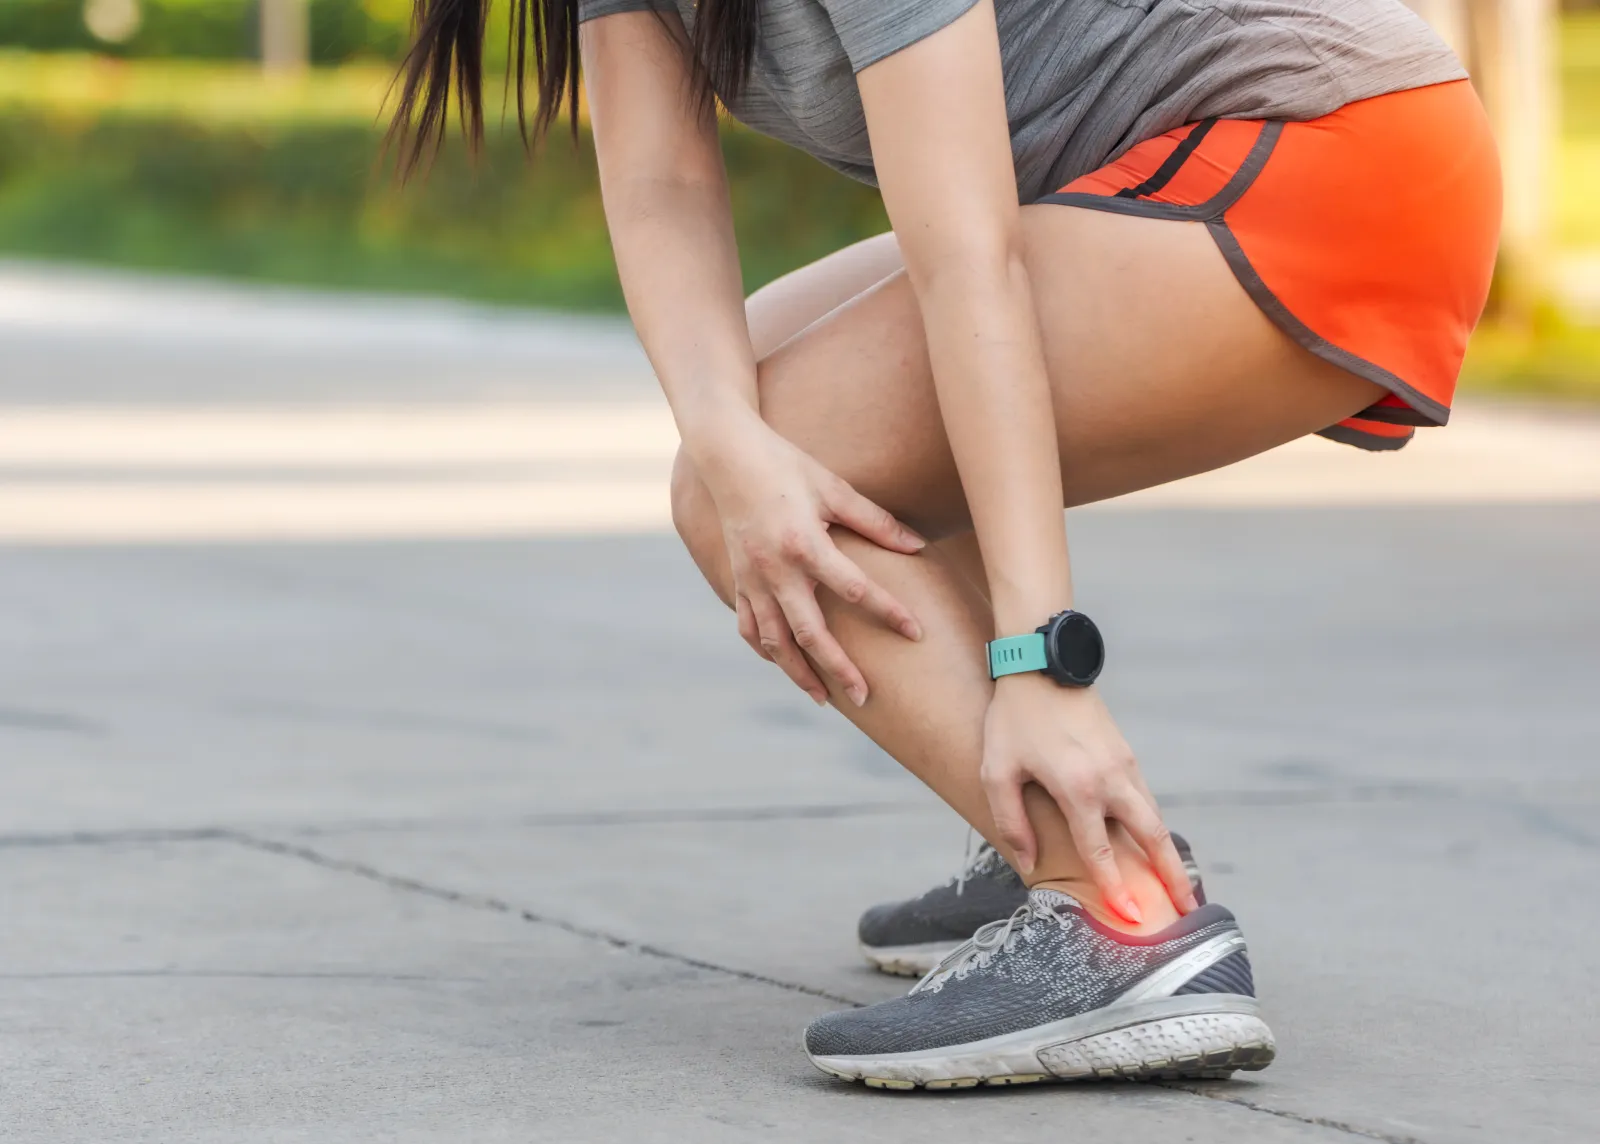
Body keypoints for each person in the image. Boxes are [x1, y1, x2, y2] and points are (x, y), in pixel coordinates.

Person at [390, 0, 1499, 1089]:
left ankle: (1112, 921)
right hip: (1197, 167)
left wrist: (1040, 664)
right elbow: (660, 184)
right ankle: (1054, 827)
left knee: (778, 464)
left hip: (1325, 156)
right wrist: (723, 436)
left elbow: (968, 258)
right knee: (749, 443)